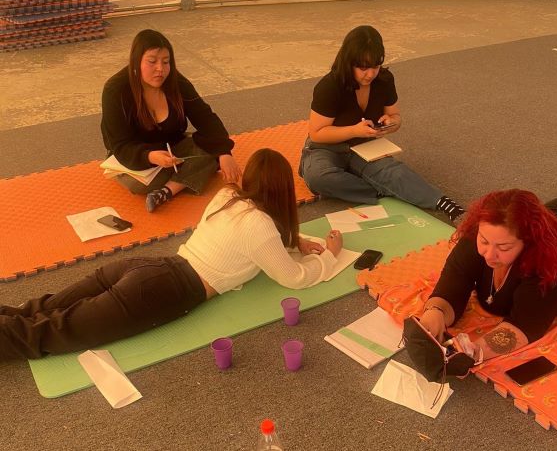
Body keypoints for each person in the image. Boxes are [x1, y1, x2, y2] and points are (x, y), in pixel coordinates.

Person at [0, 149, 343, 360]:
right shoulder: (261, 226)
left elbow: (257, 237)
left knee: (43, 308)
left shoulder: (228, 197)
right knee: (53, 332)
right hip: (161, 291)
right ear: (283, 190)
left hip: (147, 266)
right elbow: (295, 278)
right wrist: (329, 255)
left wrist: (295, 241)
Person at [417, 178, 557, 364]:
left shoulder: (550, 265)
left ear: (529, 242)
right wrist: (435, 313)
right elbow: (454, 282)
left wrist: (475, 351)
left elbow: (524, 325)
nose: (489, 254)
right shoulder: (482, 233)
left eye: (504, 247)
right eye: (484, 241)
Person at [298, 25, 465, 224]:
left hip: (364, 146)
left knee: (396, 173)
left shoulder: (384, 80)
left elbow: (395, 116)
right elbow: (317, 133)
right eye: (363, 68)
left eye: (375, 67)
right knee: (319, 177)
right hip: (327, 147)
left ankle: (445, 204)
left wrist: (393, 122)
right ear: (348, 63)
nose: (370, 74)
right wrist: (354, 130)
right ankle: (383, 189)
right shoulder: (329, 86)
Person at [100, 29, 242, 213]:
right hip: (133, 155)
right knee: (138, 185)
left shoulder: (176, 81)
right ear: (136, 61)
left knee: (213, 148)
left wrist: (224, 152)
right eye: (152, 61)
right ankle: (184, 177)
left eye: (166, 62)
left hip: (172, 147)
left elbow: (205, 117)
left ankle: (167, 191)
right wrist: (150, 156)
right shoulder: (115, 90)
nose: (160, 68)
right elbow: (120, 145)